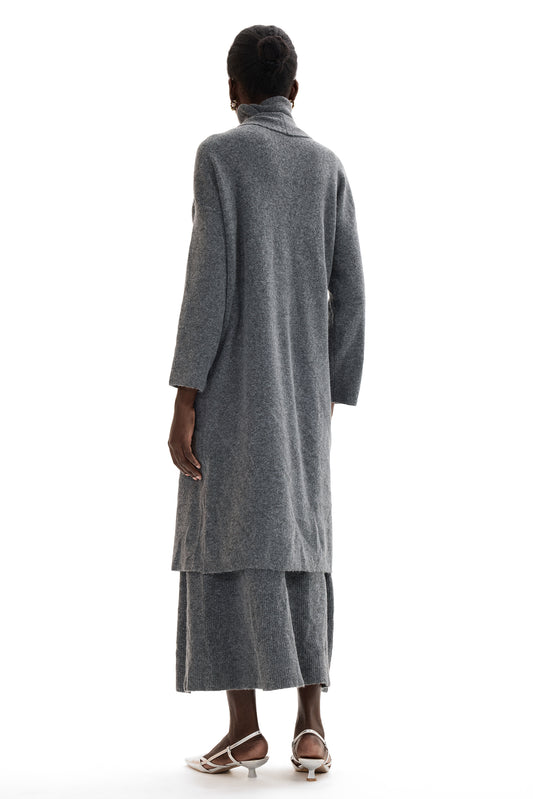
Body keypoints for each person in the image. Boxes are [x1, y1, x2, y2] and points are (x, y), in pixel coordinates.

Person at [167, 24, 365, 780]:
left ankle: (245, 729)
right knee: (302, 544)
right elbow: (352, 291)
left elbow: (207, 284)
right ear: (294, 89)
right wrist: (329, 391)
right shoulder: (326, 166)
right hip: (302, 395)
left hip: (230, 389)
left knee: (224, 541)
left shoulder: (219, 156)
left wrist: (185, 397)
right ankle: (310, 728)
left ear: (233, 90)